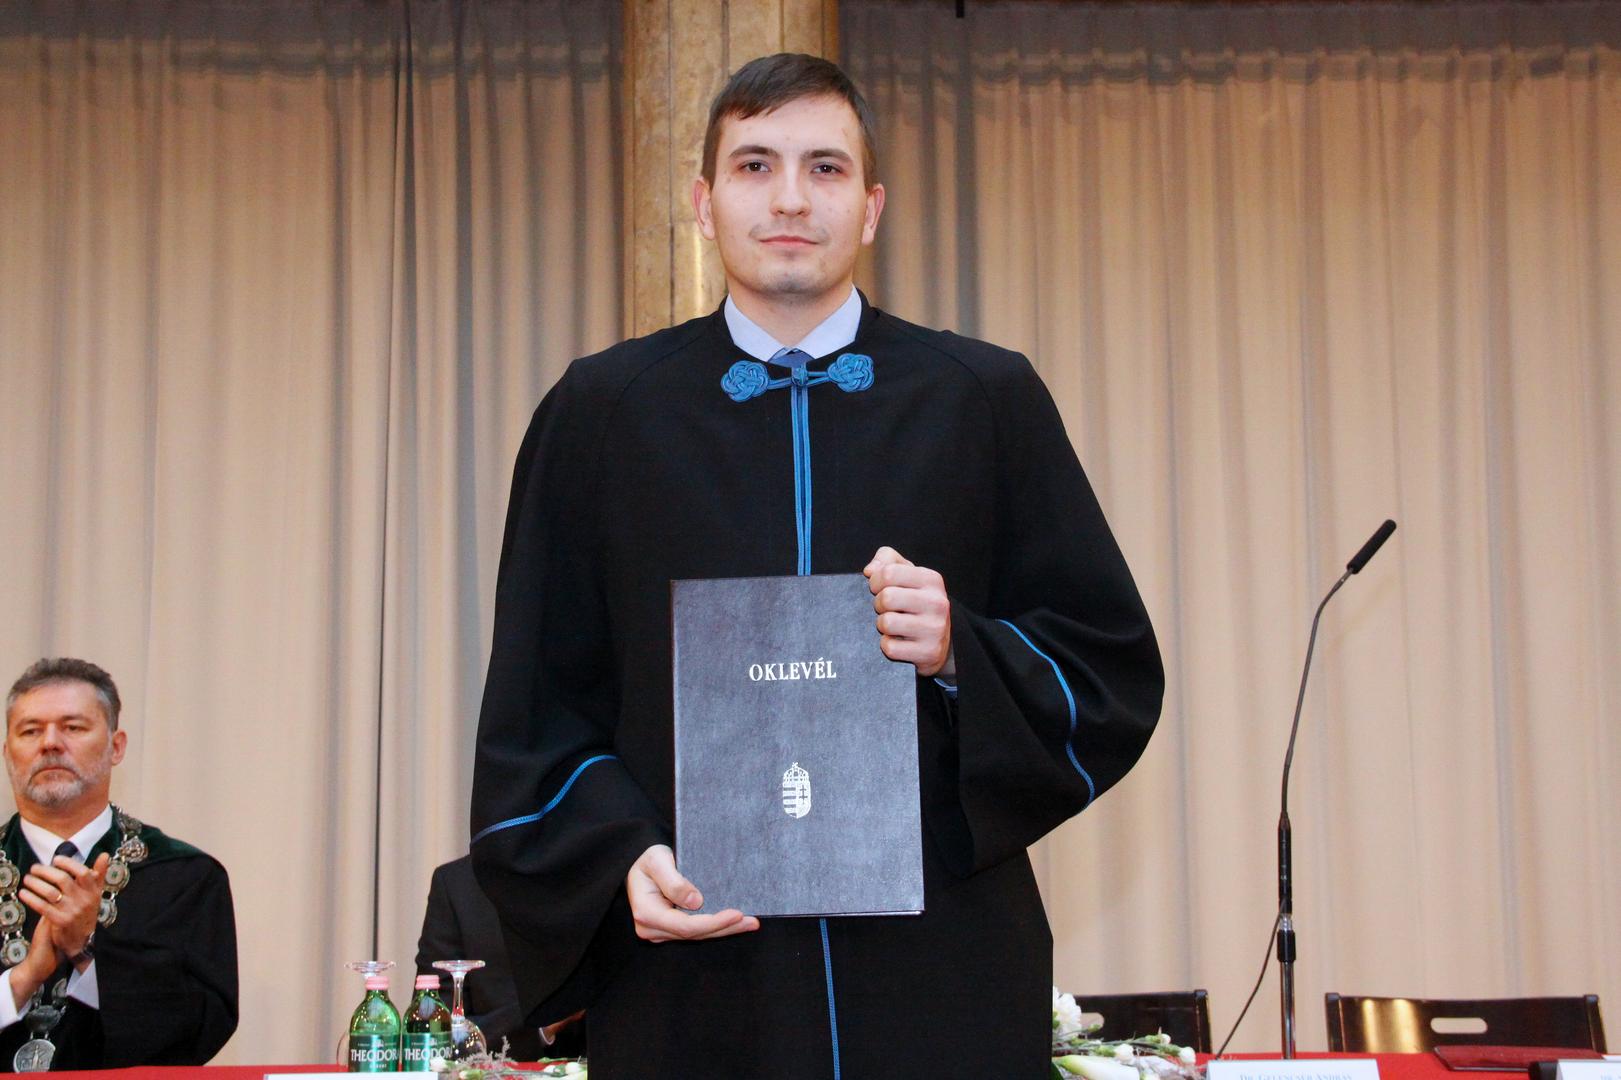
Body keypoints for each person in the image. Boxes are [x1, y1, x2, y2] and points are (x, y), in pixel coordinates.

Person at [470, 53, 1164, 1079]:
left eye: (825, 168)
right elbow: (538, 708)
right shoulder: (602, 414)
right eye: (754, 166)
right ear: (703, 203)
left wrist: (960, 651)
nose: (790, 198)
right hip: (695, 969)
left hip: (939, 969)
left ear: (871, 207)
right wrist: (619, 856)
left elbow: (1105, 668)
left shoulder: (982, 398)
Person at [0, 658, 238, 1070]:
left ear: (116, 746)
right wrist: (24, 979)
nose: (50, 743)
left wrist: (86, 949)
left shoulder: (182, 876)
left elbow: (200, 1028)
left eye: (73, 727)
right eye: (31, 730)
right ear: (8, 752)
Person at [415, 854, 586, 1061]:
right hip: (496, 1069)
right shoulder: (457, 884)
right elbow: (432, 1037)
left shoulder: (599, 871)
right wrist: (541, 1021)